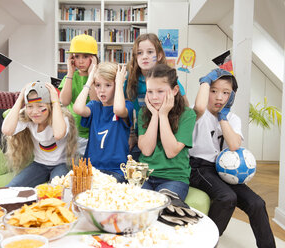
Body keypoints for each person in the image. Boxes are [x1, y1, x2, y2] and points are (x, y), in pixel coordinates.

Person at [189, 68, 276, 247]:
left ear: (232, 96)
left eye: (225, 93)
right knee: (227, 197)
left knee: (257, 203)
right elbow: (199, 105)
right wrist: (205, 84)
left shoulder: (232, 118)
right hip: (198, 167)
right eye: (214, 91)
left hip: (224, 170)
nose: (219, 97)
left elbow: (234, 145)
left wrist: (223, 117)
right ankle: (206, 242)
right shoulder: (198, 113)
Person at [124, 33, 189, 161]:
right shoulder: (130, 80)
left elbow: (185, 105)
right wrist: (131, 134)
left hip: (167, 131)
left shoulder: (168, 79)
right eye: (140, 53)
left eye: (150, 52)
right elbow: (127, 110)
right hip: (142, 133)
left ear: (159, 56)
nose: (145, 57)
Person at [2, 81, 78, 187]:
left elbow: (58, 134)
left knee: (56, 191)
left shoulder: (60, 118)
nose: (34, 111)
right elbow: (7, 130)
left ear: (50, 106)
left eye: (40, 106)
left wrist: (55, 101)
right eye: (30, 106)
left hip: (62, 164)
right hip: (39, 164)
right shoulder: (28, 119)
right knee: (10, 188)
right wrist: (19, 100)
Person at [137, 64, 196, 200]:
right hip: (145, 175)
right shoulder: (144, 113)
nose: (154, 97)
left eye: (160, 91)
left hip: (174, 178)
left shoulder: (188, 115)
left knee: (162, 206)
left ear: (175, 90)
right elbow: (146, 150)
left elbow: (171, 151)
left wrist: (163, 114)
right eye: (150, 92)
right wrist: (155, 115)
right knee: (138, 206)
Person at [73, 62, 134, 183]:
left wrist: (119, 84)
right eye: (98, 85)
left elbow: (118, 109)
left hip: (116, 170)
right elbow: (78, 108)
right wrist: (89, 81)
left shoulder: (127, 106)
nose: (102, 91)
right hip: (91, 169)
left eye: (108, 85)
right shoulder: (94, 106)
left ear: (117, 85)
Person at [59, 34, 98, 156]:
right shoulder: (69, 77)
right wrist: (70, 72)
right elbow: (64, 101)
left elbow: (95, 101)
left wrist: (91, 75)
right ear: (71, 58)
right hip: (72, 131)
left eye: (85, 56)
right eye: (77, 56)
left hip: (91, 131)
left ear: (93, 58)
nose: (80, 61)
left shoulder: (99, 78)